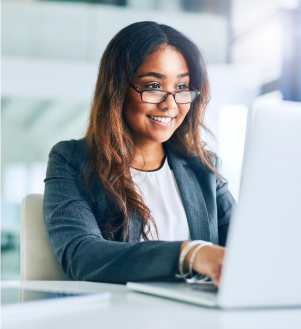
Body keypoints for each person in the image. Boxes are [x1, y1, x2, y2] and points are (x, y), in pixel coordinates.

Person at [43, 21, 235, 287]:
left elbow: (245, 247)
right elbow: (81, 256)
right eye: (154, 85)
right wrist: (189, 255)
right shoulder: (71, 159)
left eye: (182, 88)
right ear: (118, 88)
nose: (170, 105)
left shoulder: (203, 167)